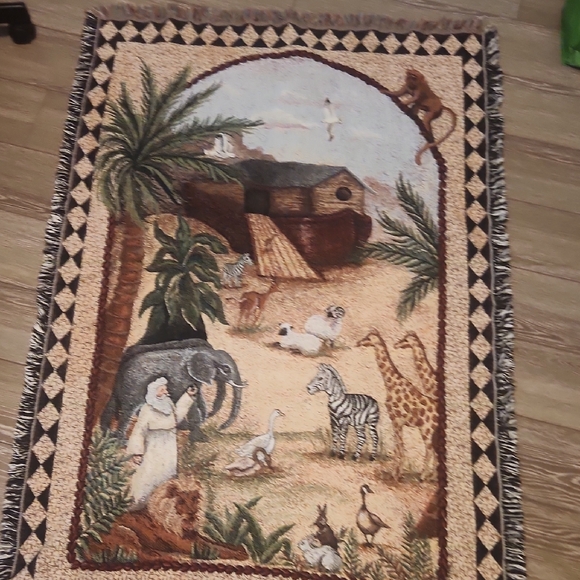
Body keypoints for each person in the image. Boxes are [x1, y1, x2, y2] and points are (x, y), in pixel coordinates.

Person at [126, 377, 196, 507]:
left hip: (169, 447)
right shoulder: (147, 409)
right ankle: (141, 501)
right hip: (153, 447)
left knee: (167, 473)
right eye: (162, 390)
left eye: (165, 389)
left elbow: (176, 417)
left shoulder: (168, 405)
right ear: (154, 392)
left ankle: (160, 504)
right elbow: (139, 431)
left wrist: (187, 396)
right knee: (149, 474)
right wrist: (137, 452)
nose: (165, 392)